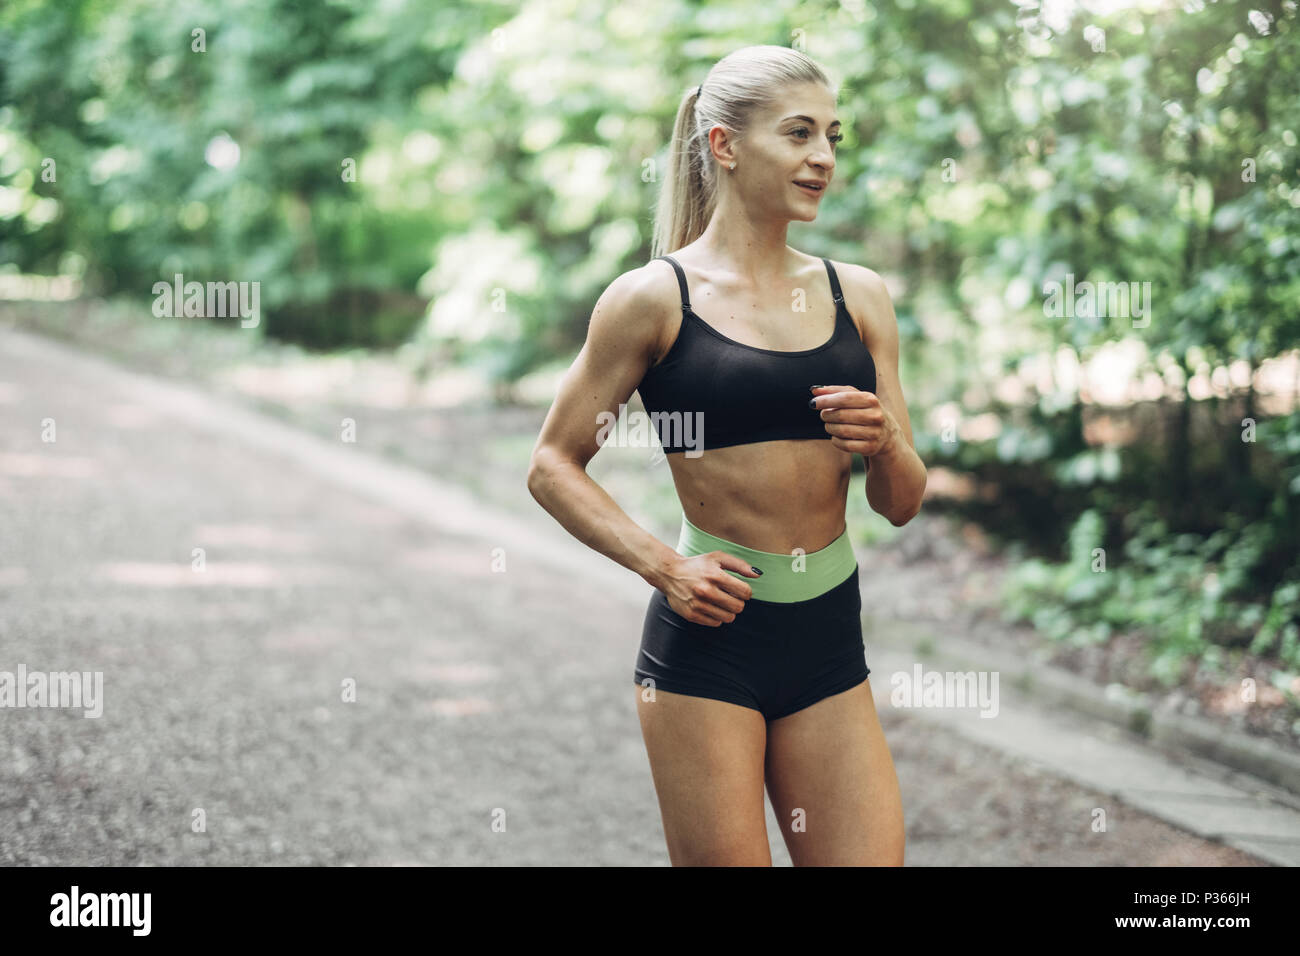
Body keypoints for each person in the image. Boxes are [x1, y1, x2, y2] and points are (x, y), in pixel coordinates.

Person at [526, 45, 926, 865]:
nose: (824, 157)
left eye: (833, 136)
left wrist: (884, 442)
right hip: (709, 647)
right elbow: (553, 463)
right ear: (725, 145)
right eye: (800, 133)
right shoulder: (652, 299)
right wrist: (662, 566)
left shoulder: (861, 297)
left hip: (828, 637)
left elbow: (901, 500)